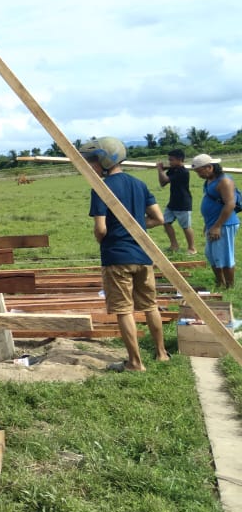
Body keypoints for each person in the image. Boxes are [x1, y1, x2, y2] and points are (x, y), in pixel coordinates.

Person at [80, 137, 169, 372]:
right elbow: (159, 219)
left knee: (124, 310)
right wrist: (135, 228)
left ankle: (135, 363)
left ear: (104, 160)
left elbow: (101, 229)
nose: (90, 167)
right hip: (143, 256)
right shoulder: (139, 184)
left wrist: (104, 238)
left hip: (116, 258)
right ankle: (161, 353)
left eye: (92, 161)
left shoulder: (102, 188)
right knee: (150, 305)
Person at [192, 153, 238, 289]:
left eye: (199, 172)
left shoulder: (225, 181)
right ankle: (220, 282)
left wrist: (217, 226)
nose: (198, 175)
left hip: (225, 224)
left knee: (224, 256)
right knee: (211, 255)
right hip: (213, 224)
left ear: (209, 167)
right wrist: (208, 225)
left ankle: (230, 286)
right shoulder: (209, 181)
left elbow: (230, 204)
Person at [156, 148, 196, 254]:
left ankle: (192, 248)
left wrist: (160, 170)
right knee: (165, 222)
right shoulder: (173, 170)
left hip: (183, 203)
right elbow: (162, 183)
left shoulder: (183, 172)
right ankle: (174, 245)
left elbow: (165, 179)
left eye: (171, 160)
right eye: (169, 160)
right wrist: (161, 171)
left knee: (186, 226)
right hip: (173, 202)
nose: (169, 162)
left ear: (180, 160)